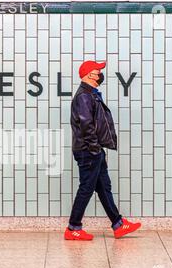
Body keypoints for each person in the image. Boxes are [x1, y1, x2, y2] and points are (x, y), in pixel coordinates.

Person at [65, 60, 141, 241]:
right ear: (90, 74)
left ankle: (118, 224)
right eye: (98, 70)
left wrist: (97, 149)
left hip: (93, 149)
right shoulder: (84, 96)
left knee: (104, 187)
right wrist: (94, 149)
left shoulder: (91, 94)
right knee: (86, 188)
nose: (100, 74)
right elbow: (86, 125)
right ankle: (73, 228)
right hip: (88, 151)